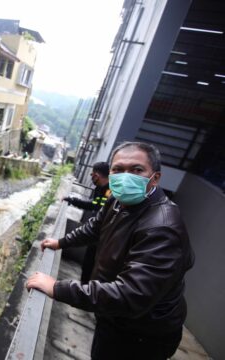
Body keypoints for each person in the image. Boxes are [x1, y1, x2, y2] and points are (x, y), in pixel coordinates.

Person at [26, 141, 194, 360]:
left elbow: (130, 295)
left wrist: (57, 288)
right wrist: (60, 242)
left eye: (136, 170)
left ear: (155, 177)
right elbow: (94, 228)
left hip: (142, 334)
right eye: (118, 169)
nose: (125, 177)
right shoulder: (117, 199)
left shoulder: (162, 228)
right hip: (113, 317)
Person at [64, 162, 110, 284]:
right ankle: (84, 289)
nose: (91, 178)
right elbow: (93, 205)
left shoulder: (112, 192)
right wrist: (73, 200)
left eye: (92, 175)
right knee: (87, 265)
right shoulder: (100, 189)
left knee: (97, 269)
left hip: (106, 238)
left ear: (96, 175)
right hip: (96, 233)